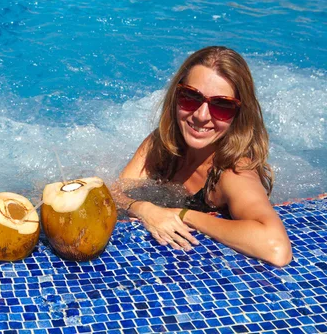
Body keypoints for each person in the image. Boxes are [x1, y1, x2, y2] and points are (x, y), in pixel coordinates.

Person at [112, 46, 292, 267]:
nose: (201, 115)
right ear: (175, 95)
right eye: (190, 97)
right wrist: (145, 209)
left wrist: (183, 215)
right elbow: (114, 192)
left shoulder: (232, 173)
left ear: (239, 114)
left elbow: (276, 247)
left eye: (222, 105)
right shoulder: (162, 144)